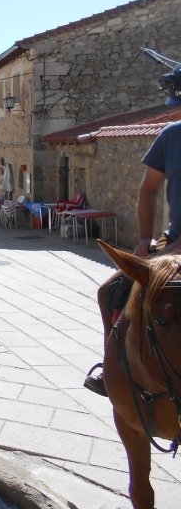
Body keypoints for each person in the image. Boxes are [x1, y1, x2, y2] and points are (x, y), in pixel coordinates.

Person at [84, 93, 181, 395]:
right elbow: (149, 188)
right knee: (110, 291)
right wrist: (145, 238)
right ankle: (112, 370)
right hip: (174, 241)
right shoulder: (171, 136)